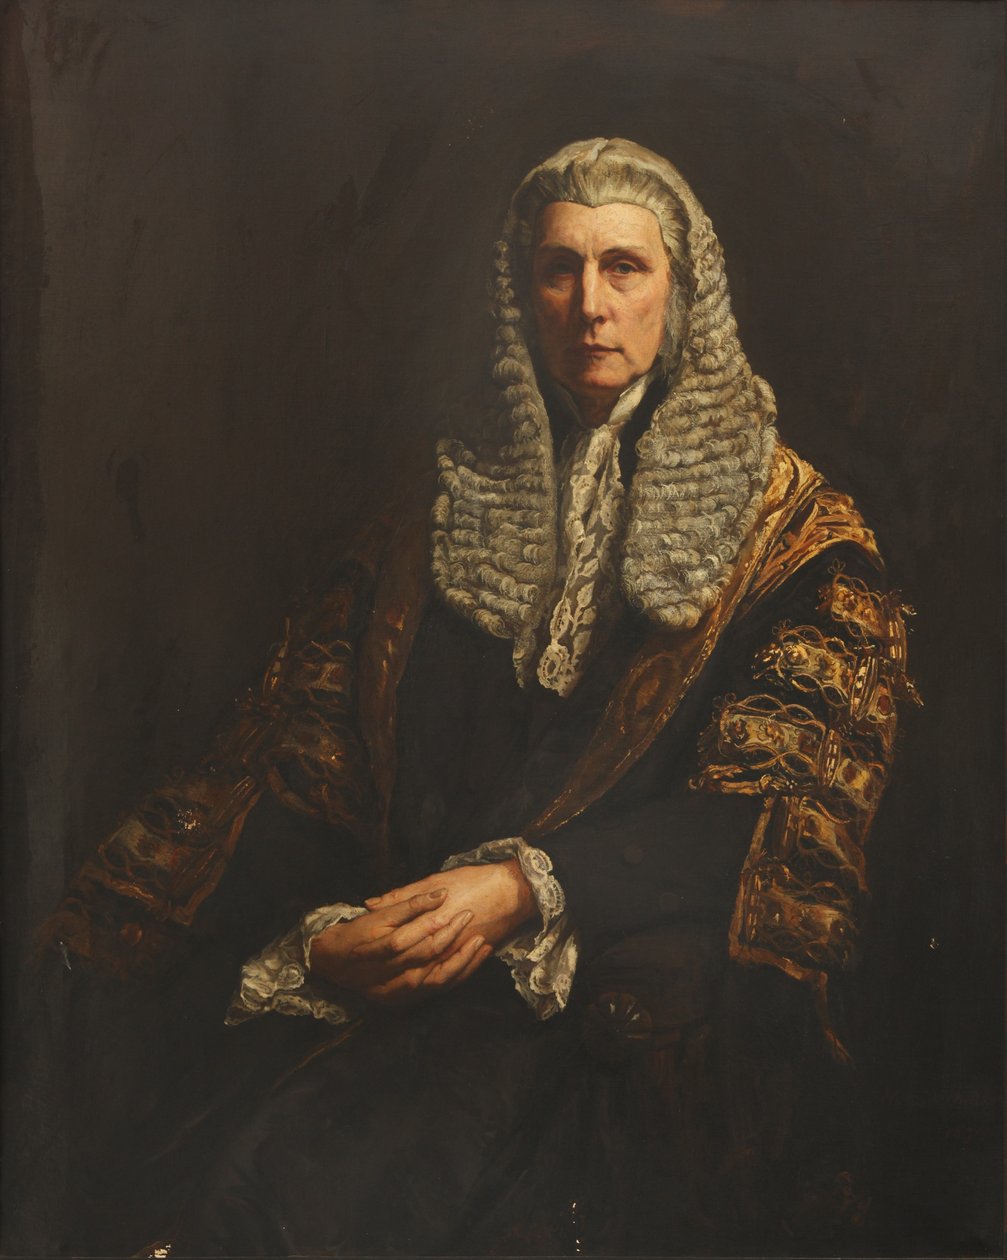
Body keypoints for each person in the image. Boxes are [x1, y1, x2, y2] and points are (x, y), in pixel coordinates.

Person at [49, 138, 918, 1256]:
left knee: (306, 1184)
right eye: (559, 269)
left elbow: (765, 822)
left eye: (623, 268)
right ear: (520, 295)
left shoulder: (796, 541)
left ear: (682, 294)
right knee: (134, 1099)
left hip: (597, 989)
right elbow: (309, 766)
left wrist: (524, 888)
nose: (590, 305)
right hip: (400, 964)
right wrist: (322, 942)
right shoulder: (432, 509)